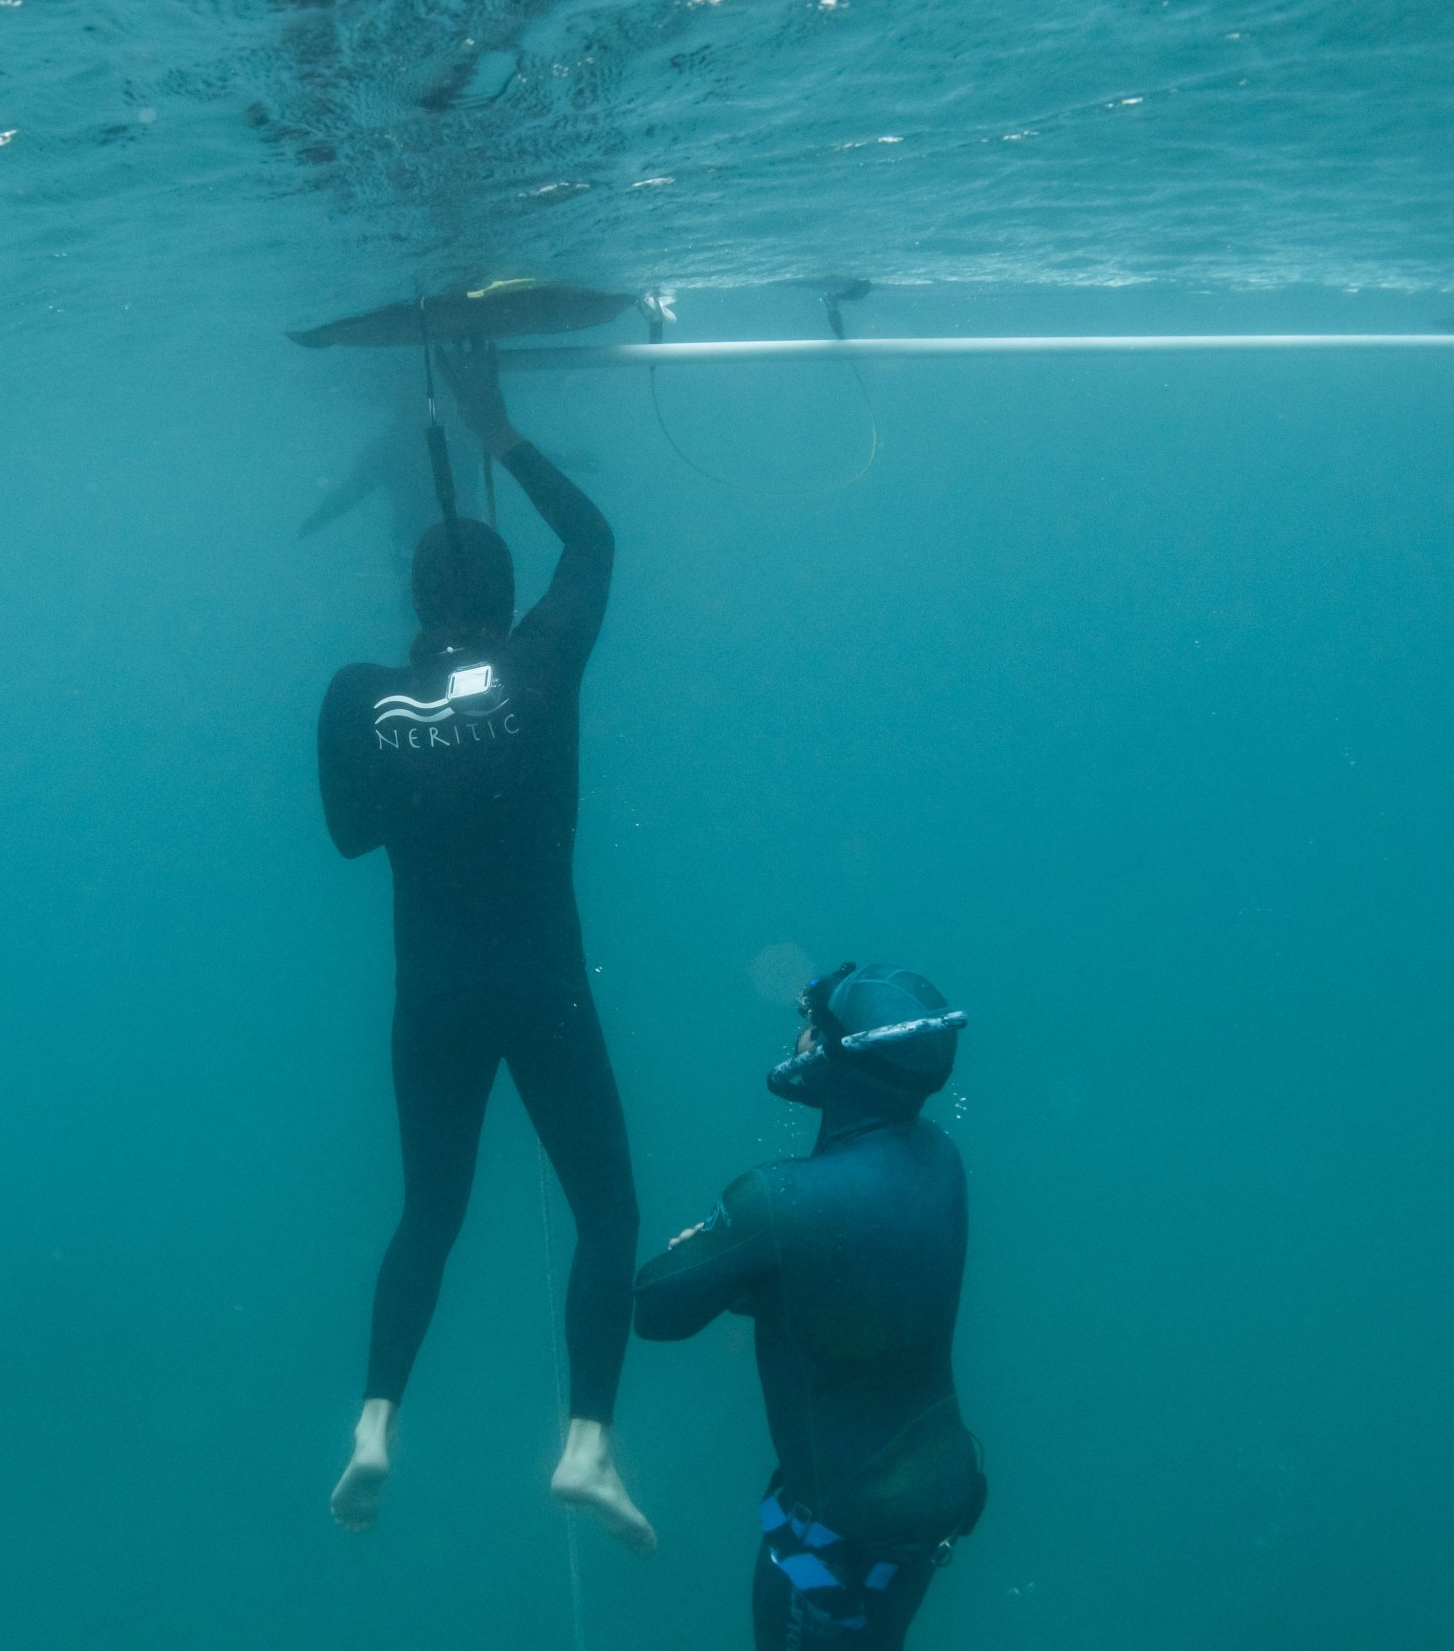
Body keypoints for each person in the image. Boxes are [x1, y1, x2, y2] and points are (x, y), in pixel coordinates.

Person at [317, 341, 653, 1551]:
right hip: (543, 988)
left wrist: (416, 756)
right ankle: (587, 1447)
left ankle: (373, 1424)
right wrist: (497, 429)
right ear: (508, 603)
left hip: (433, 999)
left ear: (415, 604)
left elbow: (353, 840)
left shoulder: (356, 695)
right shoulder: (545, 664)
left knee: (429, 1214)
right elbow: (597, 544)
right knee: (607, 1215)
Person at [634, 964, 985, 1649]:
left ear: (843, 1060)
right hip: (936, 1489)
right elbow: (858, 1286)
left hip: (842, 1520)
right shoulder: (941, 1160)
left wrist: (723, 1256)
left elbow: (655, 1310)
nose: (799, 1040)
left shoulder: (775, 1200)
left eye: (814, 1029)